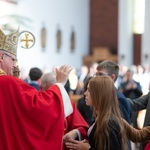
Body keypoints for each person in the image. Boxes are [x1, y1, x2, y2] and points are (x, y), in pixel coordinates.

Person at [0, 26, 73, 150]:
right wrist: (60, 83)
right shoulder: (6, 82)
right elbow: (39, 105)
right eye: (13, 59)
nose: (15, 65)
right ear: (1, 57)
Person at [65, 76, 150, 150]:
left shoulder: (109, 122)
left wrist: (87, 148)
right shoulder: (100, 116)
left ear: (99, 94)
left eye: (89, 90)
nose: (85, 93)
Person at [40, 72, 89, 150]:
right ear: (42, 88)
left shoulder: (66, 103)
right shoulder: (38, 103)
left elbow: (83, 127)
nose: (55, 94)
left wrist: (75, 132)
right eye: (51, 91)